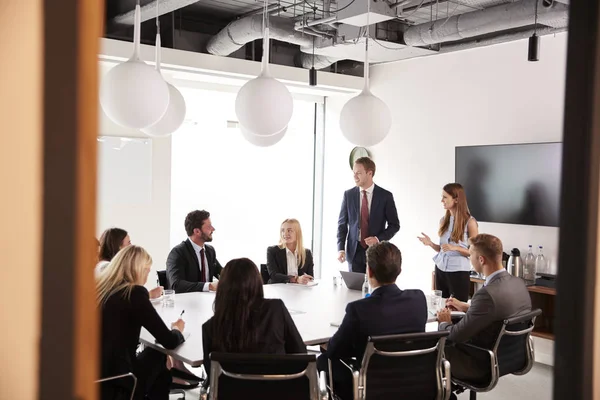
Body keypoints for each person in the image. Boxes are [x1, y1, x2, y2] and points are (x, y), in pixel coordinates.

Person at [318, 242, 427, 400]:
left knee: (323, 360)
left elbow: (335, 351)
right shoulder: (418, 299)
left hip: (370, 387)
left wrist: (326, 345)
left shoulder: (358, 309)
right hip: (414, 382)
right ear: (399, 271)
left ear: (368, 271)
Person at [437, 234, 532, 386]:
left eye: (471, 256)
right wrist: (467, 307)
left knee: (432, 351)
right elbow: (500, 310)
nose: (470, 259)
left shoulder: (487, 294)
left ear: (481, 260)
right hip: (511, 357)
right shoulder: (518, 283)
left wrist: (444, 322)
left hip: (481, 363)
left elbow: (455, 336)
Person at [202, 258, 306, 388]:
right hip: (278, 392)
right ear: (257, 283)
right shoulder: (275, 310)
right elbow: (301, 355)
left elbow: (213, 377)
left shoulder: (210, 328)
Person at [97, 245, 185, 400]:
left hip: (96, 376)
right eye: (147, 271)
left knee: (155, 358)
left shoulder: (103, 289)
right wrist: (177, 329)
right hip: (121, 379)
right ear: (138, 270)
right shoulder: (134, 293)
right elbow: (169, 341)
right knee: (160, 355)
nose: (146, 277)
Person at [337, 157, 400, 273]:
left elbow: (395, 225)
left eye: (359, 173)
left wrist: (378, 239)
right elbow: (342, 224)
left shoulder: (385, 196)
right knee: (354, 289)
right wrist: (340, 248)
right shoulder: (348, 195)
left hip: (376, 253)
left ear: (369, 173)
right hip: (354, 253)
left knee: (374, 290)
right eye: (354, 173)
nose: (355, 176)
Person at [418, 183, 478, 301]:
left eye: (445, 197)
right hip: (440, 268)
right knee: (441, 306)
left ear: (456, 199)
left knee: (457, 309)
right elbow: (443, 249)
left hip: (458, 272)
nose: (442, 200)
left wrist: (456, 248)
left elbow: (474, 252)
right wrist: (430, 244)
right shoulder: (443, 221)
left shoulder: (470, 222)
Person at [166, 210, 223, 293]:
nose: (213, 229)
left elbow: (223, 273)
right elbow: (177, 284)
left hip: (208, 301)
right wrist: (209, 286)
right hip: (187, 303)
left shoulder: (210, 251)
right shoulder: (178, 253)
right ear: (197, 231)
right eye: (209, 226)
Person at [266, 218, 314, 284]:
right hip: (278, 290)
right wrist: (296, 279)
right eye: (282, 230)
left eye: (289, 230)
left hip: (300, 291)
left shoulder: (307, 253)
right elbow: (274, 275)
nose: (285, 234)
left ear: (297, 233)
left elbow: (310, 277)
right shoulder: (272, 251)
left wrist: (305, 279)